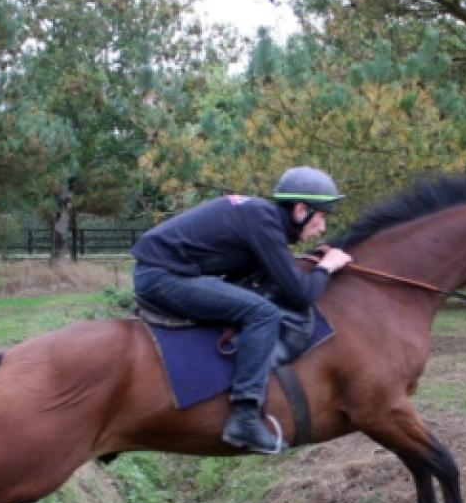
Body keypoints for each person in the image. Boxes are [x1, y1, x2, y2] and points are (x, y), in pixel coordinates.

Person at [131, 166, 352, 454]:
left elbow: (270, 276)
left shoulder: (261, 217)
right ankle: (245, 418)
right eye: (321, 216)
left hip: (164, 272)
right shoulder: (263, 221)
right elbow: (300, 295)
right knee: (263, 314)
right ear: (300, 209)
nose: (322, 227)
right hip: (162, 278)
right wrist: (327, 266)